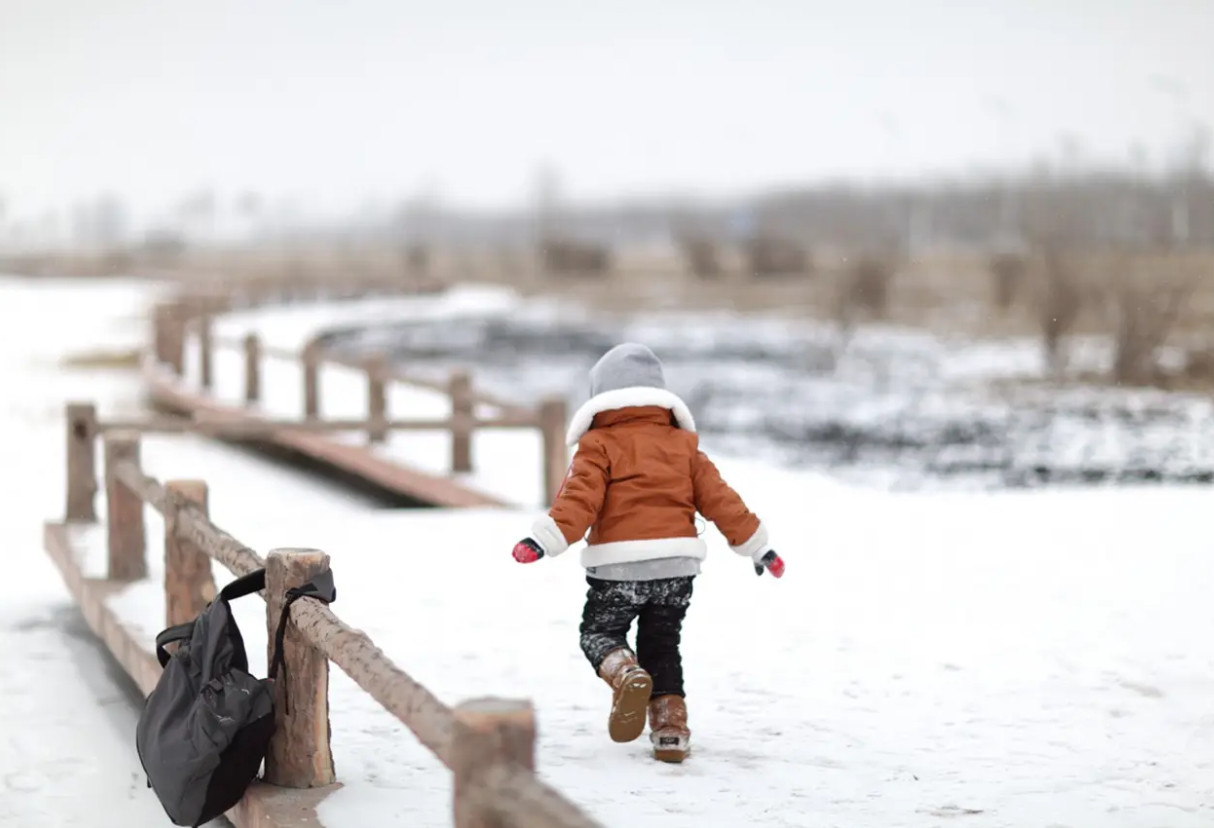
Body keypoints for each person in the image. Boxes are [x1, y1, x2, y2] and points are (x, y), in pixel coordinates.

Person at [511, 343, 784, 763]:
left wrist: (543, 541)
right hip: (677, 568)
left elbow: (579, 500)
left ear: (601, 397)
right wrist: (759, 547)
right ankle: (671, 730)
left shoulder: (599, 444)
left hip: (618, 566)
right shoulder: (684, 446)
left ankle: (624, 672)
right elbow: (722, 500)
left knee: (598, 634)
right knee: (662, 645)